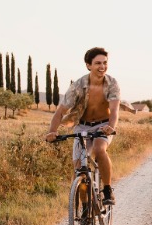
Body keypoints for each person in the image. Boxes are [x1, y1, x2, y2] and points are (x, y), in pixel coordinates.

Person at [45, 47, 120, 206]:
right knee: (79, 168)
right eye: (98, 63)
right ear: (88, 65)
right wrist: (52, 131)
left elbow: (114, 110)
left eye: (105, 63)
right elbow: (60, 111)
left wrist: (110, 126)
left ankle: (107, 190)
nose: (102, 66)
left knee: (100, 149)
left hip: (103, 125)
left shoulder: (112, 83)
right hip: (82, 127)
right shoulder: (78, 86)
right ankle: (85, 206)